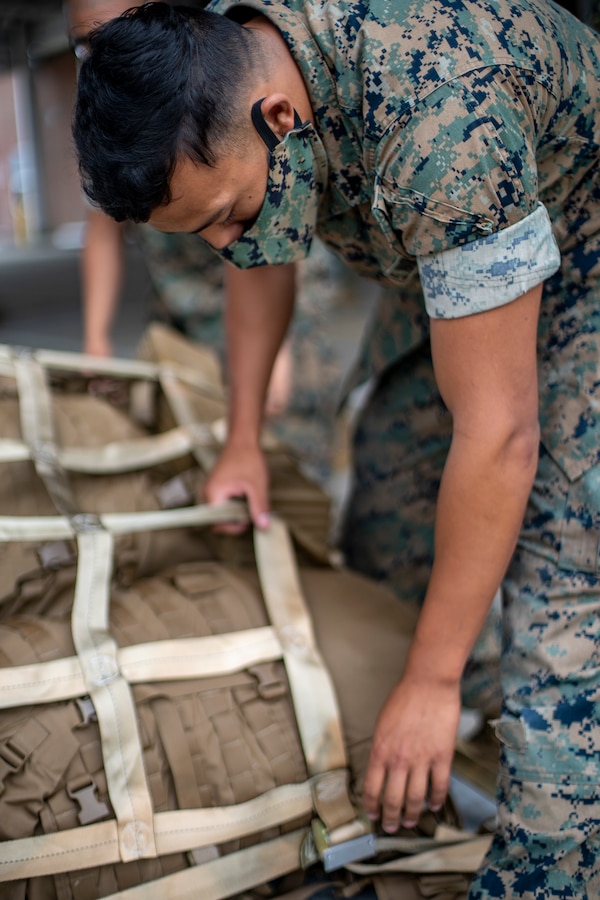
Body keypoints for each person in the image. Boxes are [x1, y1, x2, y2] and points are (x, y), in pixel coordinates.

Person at [72, 2, 600, 895]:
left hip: (581, 267)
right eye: (200, 231)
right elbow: (262, 254)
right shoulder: (241, 72)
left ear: (278, 117)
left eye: (229, 215)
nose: (222, 243)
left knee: (558, 600)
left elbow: (501, 434)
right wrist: (243, 438)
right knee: (388, 518)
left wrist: (428, 684)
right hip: (448, 257)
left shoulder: (442, 125)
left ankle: (550, 847)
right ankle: (442, 727)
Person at [65, 0, 348, 482]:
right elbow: (102, 235)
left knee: (292, 467)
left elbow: (281, 235)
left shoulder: (218, 89)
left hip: (279, 306)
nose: (103, 56)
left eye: (112, 33)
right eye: (85, 45)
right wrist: (96, 339)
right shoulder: (113, 123)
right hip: (184, 314)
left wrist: (276, 352)